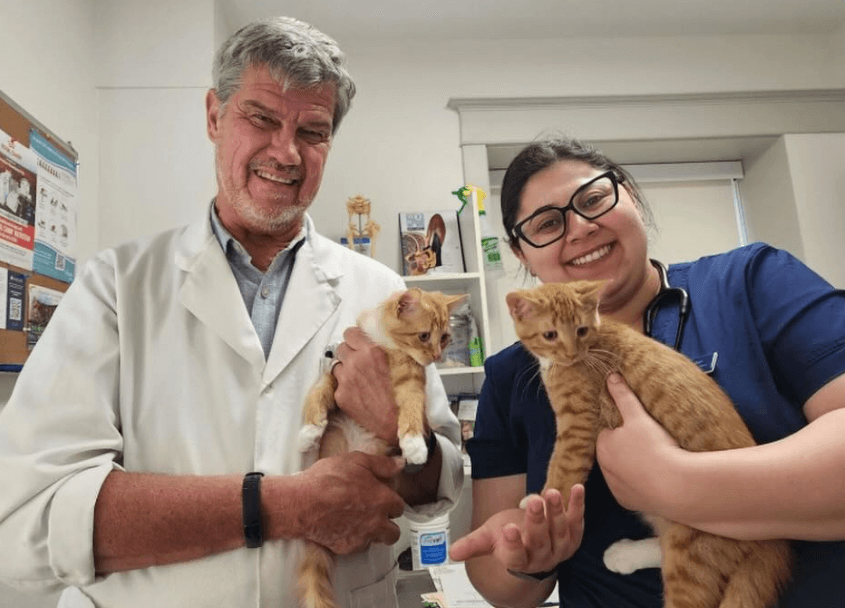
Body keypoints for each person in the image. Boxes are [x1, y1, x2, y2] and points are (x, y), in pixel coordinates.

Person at [0, 17, 464, 608]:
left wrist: (406, 433)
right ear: (215, 116)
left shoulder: (380, 291)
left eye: (313, 131)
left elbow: (441, 482)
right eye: (262, 118)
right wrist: (285, 505)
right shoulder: (116, 286)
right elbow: (27, 516)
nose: (286, 152)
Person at [448, 136, 845, 607]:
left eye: (593, 199)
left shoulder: (751, 281)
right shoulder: (511, 375)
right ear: (520, 253)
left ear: (629, 196)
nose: (579, 228)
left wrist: (671, 481)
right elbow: (501, 588)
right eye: (548, 223)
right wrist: (526, 556)